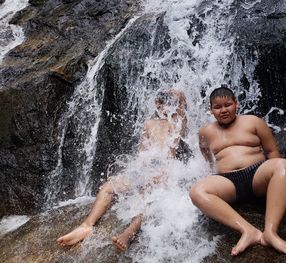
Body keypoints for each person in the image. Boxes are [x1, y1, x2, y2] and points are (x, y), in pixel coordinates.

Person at [57, 89, 190, 251]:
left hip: (165, 169)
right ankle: (86, 226)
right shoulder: (149, 124)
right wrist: (134, 170)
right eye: (162, 104)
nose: (166, 108)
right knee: (107, 187)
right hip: (147, 168)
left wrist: (179, 95)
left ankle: (128, 233)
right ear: (156, 105)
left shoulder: (175, 123)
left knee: (144, 193)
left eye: (170, 104)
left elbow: (183, 109)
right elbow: (142, 153)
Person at [189, 85, 286, 256]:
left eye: (228, 105)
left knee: (284, 165)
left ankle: (270, 232)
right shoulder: (205, 132)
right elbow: (207, 159)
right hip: (227, 182)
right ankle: (249, 231)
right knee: (196, 191)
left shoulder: (253, 121)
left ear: (236, 104)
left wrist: (280, 186)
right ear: (211, 110)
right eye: (217, 107)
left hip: (257, 176)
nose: (223, 110)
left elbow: (272, 152)